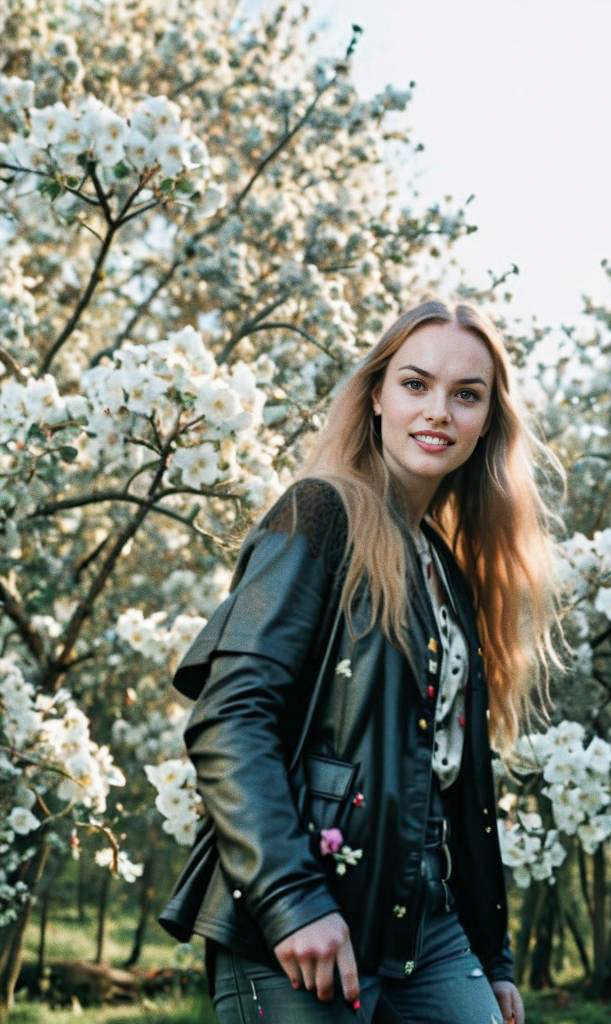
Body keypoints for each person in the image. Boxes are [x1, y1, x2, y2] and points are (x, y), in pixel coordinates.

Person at [158, 298, 566, 1023]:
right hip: (309, 921)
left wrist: (492, 956)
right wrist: (292, 902)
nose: (439, 410)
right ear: (376, 395)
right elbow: (229, 718)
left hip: (429, 929)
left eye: (466, 395)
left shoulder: (449, 571)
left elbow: (456, 785)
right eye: (416, 384)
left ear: (486, 422)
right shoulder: (318, 514)